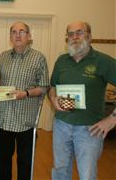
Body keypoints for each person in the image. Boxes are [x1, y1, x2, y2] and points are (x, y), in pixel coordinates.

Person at [49, 21, 116, 180]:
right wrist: (52, 98)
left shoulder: (103, 61)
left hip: (89, 130)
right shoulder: (62, 61)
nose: (75, 37)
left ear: (89, 36)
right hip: (61, 125)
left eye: (79, 32)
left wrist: (112, 119)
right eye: (71, 34)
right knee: (60, 171)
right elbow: (53, 87)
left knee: (86, 175)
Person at [0, 22, 49, 180]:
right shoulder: (3, 56)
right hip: (3, 120)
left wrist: (25, 93)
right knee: (2, 163)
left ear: (29, 36)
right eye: (14, 32)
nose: (18, 35)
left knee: (25, 164)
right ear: (10, 37)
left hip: (26, 121)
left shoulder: (38, 58)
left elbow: (44, 87)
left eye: (22, 31)